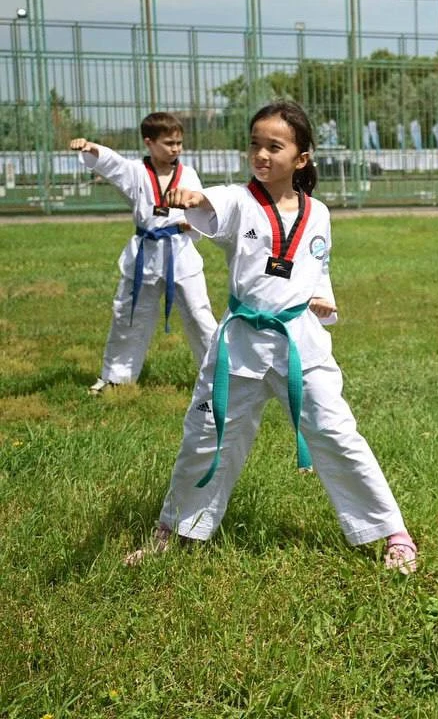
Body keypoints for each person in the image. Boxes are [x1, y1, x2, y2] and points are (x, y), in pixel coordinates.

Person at [126, 100, 417, 573]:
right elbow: (211, 201)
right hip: (239, 346)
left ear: (301, 158)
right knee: (205, 435)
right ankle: (175, 528)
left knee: (337, 435)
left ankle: (391, 532)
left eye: (274, 147)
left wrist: (324, 296)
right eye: (255, 145)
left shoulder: (317, 212)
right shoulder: (241, 200)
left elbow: (315, 262)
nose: (261, 154)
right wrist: (193, 199)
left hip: (300, 346)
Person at [71, 114, 218, 394]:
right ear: (149, 142)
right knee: (128, 314)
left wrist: (192, 222)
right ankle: (116, 377)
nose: (175, 149)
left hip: (180, 253)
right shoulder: (136, 171)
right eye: (168, 143)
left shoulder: (188, 174)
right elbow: (113, 164)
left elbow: (201, 207)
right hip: (144, 254)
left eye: (179, 143)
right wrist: (92, 149)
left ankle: (218, 376)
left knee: (200, 315)